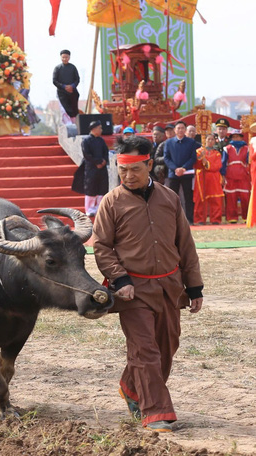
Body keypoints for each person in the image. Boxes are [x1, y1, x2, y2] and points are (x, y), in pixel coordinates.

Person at [93, 135, 203, 433]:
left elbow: (185, 245)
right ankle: (155, 412)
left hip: (169, 286)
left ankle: (131, 387)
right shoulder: (111, 203)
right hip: (133, 292)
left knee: (167, 346)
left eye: (134, 170)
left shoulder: (169, 198)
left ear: (149, 165)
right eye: (122, 169)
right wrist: (120, 279)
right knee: (145, 351)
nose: (127, 176)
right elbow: (101, 247)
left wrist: (194, 287)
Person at [163, 120, 198, 224]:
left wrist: (183, 168)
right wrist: (175, 169)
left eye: (183, 128)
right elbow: (166, 158)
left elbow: (193, 158)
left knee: (188, 197)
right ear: (175, 130)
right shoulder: (169, 142)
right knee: (171, 197)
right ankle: (171, 219)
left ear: (185, 130)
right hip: (173, 174)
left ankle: (189, 219)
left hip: (187, 173)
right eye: (178, 128)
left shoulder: (191, 142)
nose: (180, 130)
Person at [72, 120, 109, 216]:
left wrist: (104, 161)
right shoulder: (86, 141)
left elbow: (106, 152)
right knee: (91, 189)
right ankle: (90, 210)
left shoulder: (101, 140)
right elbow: (86, 155)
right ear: (94, 129)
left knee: (102, 189)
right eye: (99, 128)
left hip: (102, 169)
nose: (101, 130)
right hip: (91, 168)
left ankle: (100, 208)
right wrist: (97, 162)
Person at [221, 129, 251, 223]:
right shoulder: (227, 148)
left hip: (243, 175)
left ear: (241, 137)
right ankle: (232, 218)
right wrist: (223, 175)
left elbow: (249, 162)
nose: (236, 138)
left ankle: (247, 217)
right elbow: (223, 162)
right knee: (231, 197)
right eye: (234, 136)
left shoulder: (247, 148)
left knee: (245, 197)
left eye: (238, 136)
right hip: (230, 175)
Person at [193, 134, 224, 225]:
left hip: (214, 177)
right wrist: (200, 159)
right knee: (200, 198)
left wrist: (207, 163)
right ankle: (199, 219)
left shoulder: (217, 153)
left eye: (212, 139)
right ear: (204, 140)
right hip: (201, 178)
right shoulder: (198, 151)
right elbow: (196, 165)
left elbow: (218, 166)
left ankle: (216, 219)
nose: (210, 141)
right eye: (208, 139)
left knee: (215, 198)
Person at [52, 50, 80, 122]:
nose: (64, 59)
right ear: (61, 57)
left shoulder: (73, 67)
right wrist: (64, 87)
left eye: (66, 57)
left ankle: (75, 125)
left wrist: (72, 86)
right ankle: (67, 126)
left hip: (72, 92)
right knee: (64, 111)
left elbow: (77, 79)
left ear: (69, 57)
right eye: (63, 57)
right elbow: (54, 81)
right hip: (62, 93)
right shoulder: (57, 68)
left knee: (74, 111)